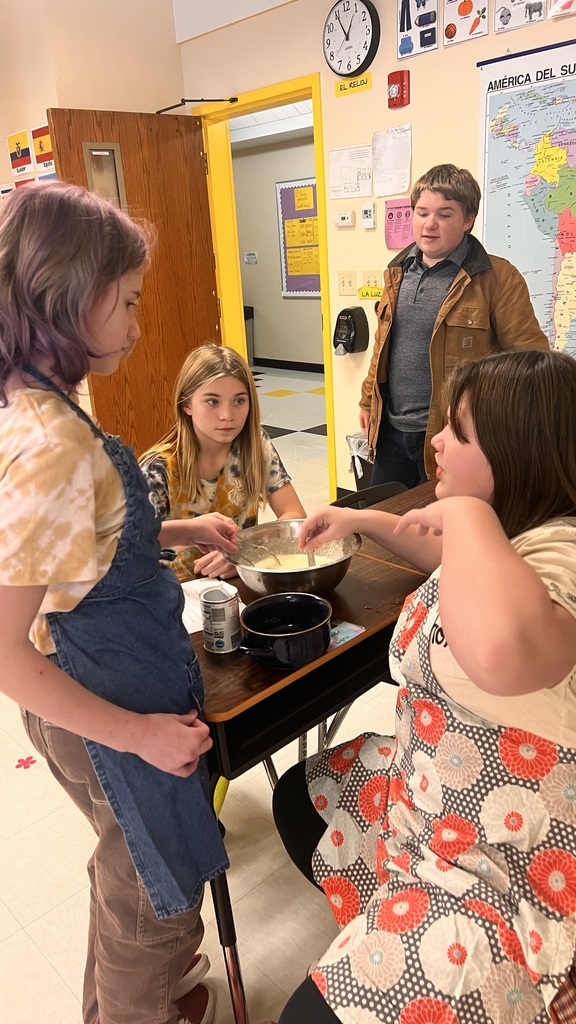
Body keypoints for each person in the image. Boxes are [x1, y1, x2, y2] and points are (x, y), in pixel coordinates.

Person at [273, 349, 576, 1023]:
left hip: (502, 860)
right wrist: (361, 521)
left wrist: (465, 511)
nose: (435, 442)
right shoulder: (510, 532)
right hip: (431, 795)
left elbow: (505, 647)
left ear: (517, 451)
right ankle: (387, 921)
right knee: (300, 797)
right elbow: (450, 557)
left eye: (457, 432)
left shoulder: (563, 550)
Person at [0, 181, 242, 1024]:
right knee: (154, 903)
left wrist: (177, 528)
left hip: (114, 687)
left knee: (128, 874)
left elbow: (81, 541)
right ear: (67, 295)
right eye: (129, 300)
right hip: (107, 707)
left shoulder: (35, 406)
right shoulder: (53, 445)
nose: (139, 324)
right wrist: (138, 734)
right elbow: (4, 653)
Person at [359, 163, 549, 489]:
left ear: (468, 220)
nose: (429, 224)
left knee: (447, 518)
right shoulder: (397, 273)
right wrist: (367, 400)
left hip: (455, 435)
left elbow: (530, 362)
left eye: (444, 215)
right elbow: (383, 346)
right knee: (383, 516)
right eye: (422, 213)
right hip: (391, 430)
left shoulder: (498, 278)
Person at [139, 344, 306, 581]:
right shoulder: (157, 468)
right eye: (212, 402)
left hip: (240, 582)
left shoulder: (255, 445)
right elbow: (130, 546)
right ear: (186, 404)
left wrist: (245, 550)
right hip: (177, 592)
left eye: (239, 401)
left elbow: (295, 514)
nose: (227, 415)